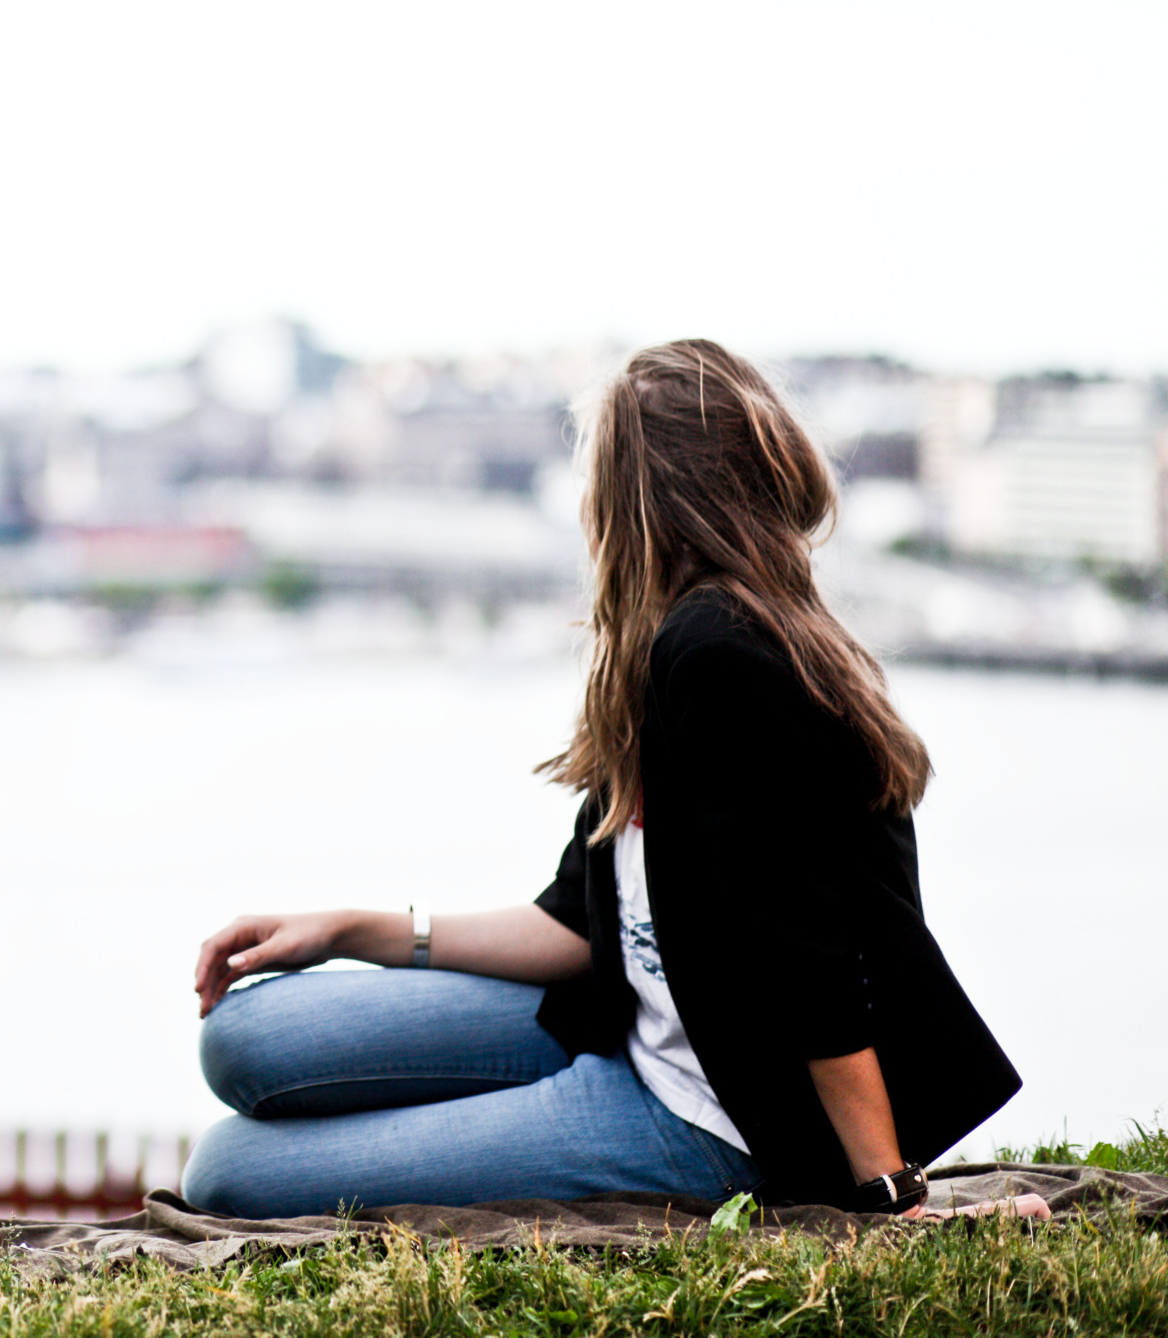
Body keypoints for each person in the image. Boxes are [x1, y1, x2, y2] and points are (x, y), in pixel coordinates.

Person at [181, 340, 1020, 1220]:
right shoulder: (668, 650)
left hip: (706, 1118)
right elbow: (578, 922)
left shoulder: (723, 654)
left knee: (230, 1174)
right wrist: (352, 927)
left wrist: (886, 1189)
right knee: (242, 1039)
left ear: (632, 500)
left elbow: (812, 957)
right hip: (616, 1021)